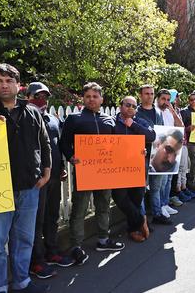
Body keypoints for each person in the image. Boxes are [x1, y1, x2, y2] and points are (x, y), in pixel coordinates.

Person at [0, 63, 51, 293]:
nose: (4, 85)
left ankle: (22, 282)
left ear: (18, 85)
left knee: (24, 240)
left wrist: (47, 170)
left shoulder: (32, 111)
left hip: (29, 187)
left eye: (8, 81)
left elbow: (44, 143)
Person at [59, 82, 125, 266]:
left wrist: (137, 154)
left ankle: (103, 239)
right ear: (83, 98)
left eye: (95, 96)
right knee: (79, 209)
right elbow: (64, 143)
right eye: (88, 96)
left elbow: (119, 145)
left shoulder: (109, 120)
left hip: (105, 172)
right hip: (84, 171)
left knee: (103, 205)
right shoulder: (74, 119)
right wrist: (71, 157)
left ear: (101, 99)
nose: (91, 99)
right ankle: (76, 246)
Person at [27, 82, 74, 279]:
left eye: (45, 96)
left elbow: (57, 145)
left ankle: (52, 251)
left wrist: (62, 167)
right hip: (36, 180)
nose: (42, 100)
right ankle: (37, 262)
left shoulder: (52, 119)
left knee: (51, 217)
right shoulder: (25, 118)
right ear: (28, 97)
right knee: (36, 222)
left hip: (55, 176)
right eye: (38, 96)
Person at [114, 95, 156, 242]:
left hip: (137, 168)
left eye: (133, 106)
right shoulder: (112, 122)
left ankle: (132, 230)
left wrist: (133, 125)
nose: (130, 108)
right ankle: (140, 220)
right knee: (120, 197)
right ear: (121, 106)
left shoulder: (140, 122)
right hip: (117, 169)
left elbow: (151, 136)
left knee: (136, 199)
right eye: (127, 105)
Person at [135, 85, 172, 225]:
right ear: (140, 95)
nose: (149, 96)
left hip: (157, 154)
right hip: (141, 155)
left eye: (151, 93)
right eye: (146, 93)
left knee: (156, 187)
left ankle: (157, 213)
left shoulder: (157, 112)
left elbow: (162, 133)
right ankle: (142, 219)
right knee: (141, 189)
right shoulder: (136, 113)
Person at [155, 89, 183, 216]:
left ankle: (165, 204)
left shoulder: (168, 112)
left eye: (168, 99)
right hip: (160, 151)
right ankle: (160, 206)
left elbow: (180, 125)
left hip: (172, 150)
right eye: (163, 99)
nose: (166, 102)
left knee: (168, 180)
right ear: (157, 98)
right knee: (160, 182)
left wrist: (172, 111)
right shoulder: (155, 111)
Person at [179, 93, 195, 194]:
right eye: (191, 100)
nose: (194, 101)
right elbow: (181, 127)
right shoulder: (184, 112)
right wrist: (188, 128)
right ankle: (190, 183)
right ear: (188, 100)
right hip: (190, 141)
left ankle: (194, 181)